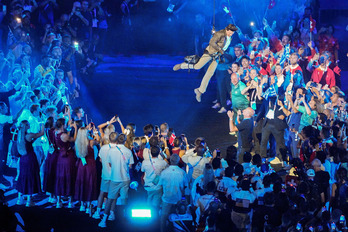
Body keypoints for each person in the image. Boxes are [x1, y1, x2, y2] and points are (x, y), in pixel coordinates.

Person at [173, 24, 238, 102]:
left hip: (217, 56)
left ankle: (200, 91)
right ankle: (182, 66)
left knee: (210, 73)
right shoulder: (219, 33)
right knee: (197, 66)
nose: (231, 34)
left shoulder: (230, 37)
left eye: (232, 33)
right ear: (227, 29)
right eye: (230, 32)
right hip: (210, 52)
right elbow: (212, 43)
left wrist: (220, 52)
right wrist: (220, 50)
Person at [98, 134, 134, 228]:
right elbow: (130, 166)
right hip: (125, 179)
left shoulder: (111, 151)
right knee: (124, 198)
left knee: (110, 199)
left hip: (114, 178)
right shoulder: (128, 151)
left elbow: (109, 164)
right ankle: (123, 218)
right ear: (125, 141)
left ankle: (104, 220)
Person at [16, 120, 44, 207]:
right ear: (26, 126)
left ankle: (19, 199)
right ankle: (29, 200)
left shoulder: (20, 135)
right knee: (31, 177)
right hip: (30, 158)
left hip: (23, 159)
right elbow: (41, 133)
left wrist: (33, 139)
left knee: (22, 177)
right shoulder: (29, 135)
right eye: (28, 124)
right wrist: (42, 124)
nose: (29, 125)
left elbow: (26, 144)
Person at [158, 154, 188, 232]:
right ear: (178, 161)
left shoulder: (164, 172)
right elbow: (185, 187)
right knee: (177, 218)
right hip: (178, 199)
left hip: (166, 199)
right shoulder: (182, 172)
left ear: (170, 161)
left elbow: (160, 185)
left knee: (163, 218)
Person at [74, 126, 99, 214]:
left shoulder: (77, 142)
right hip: (90, 165)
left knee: (82, 183)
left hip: (81, 165)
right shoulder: (91, 142)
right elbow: (99, 141)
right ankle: (88, 205)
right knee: (89, 184)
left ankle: (82, 205)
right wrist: (96, 133)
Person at [55, 117, 78, 209]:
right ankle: (70, 201)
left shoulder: (56, 133)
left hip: (60, 157)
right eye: (65, 124)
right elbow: (74, 139)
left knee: (60, 178)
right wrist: (75, 128)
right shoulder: (64, 135)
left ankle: (59, 201)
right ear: (62, 125)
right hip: (68, 158)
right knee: (69, 177)